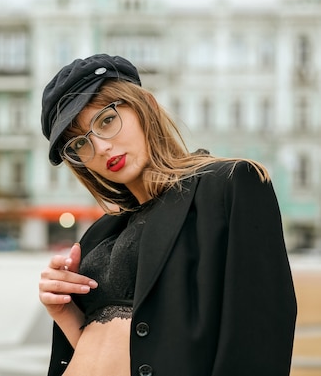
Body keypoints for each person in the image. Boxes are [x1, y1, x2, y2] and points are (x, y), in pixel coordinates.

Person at [38, 54, 297, 376]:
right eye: (80, 144)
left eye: (106, 121)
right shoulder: (100, 232)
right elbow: (121, 348)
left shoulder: (229, 185)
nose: (101, 148)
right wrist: (64, 311)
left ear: (144, 105)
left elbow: (259, 334)